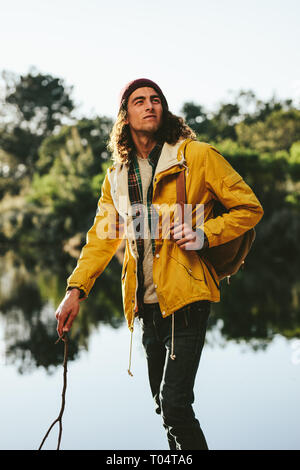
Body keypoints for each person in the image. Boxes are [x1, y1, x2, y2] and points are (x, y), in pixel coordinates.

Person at [55, 78, 264, 450]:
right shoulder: (117, 177)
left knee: (175, 406)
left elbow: (249, 207)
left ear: (164, 110)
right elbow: (102, 238)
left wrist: (203, 232)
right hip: (146, 307)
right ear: (125, 115)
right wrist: (75, 289)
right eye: (139, 101)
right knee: (163, 407)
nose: (150, 105)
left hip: (188, 299)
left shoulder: (195, 156)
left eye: (156, 100)